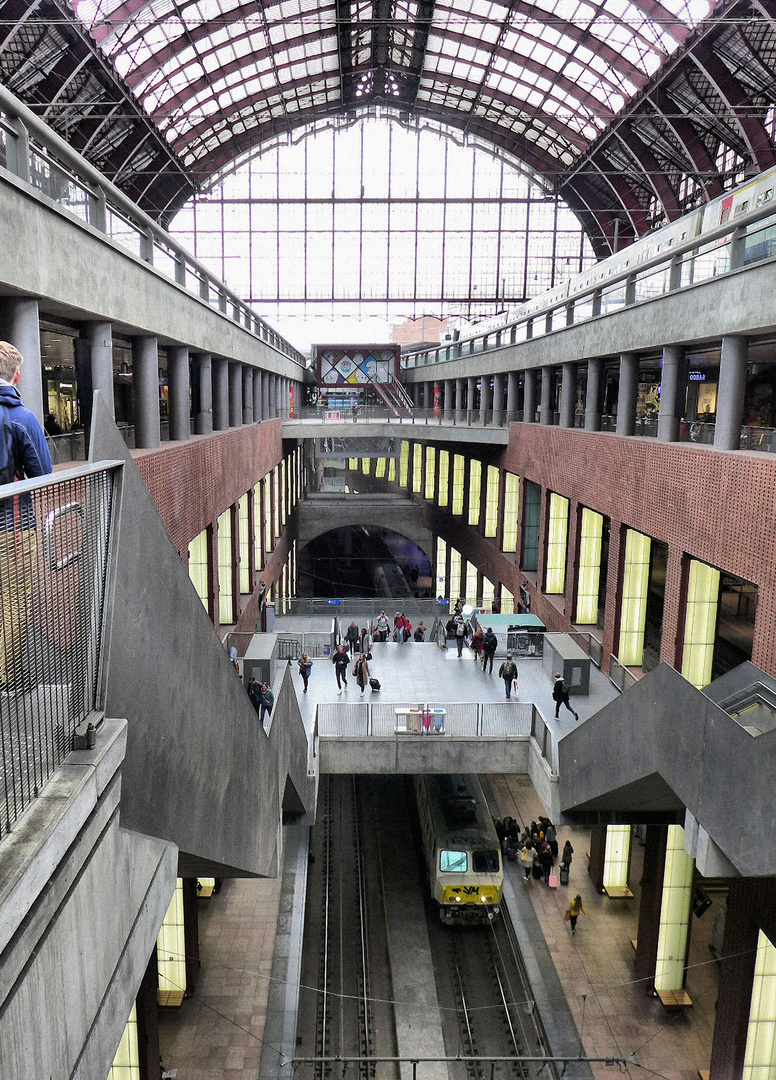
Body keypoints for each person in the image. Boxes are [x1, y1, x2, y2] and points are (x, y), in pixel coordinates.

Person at [0, 341, 53, 694]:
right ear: (16, 375)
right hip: (14, 527)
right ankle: (3, 679)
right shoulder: (23, 418)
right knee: (13, 600)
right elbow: (44, 473)